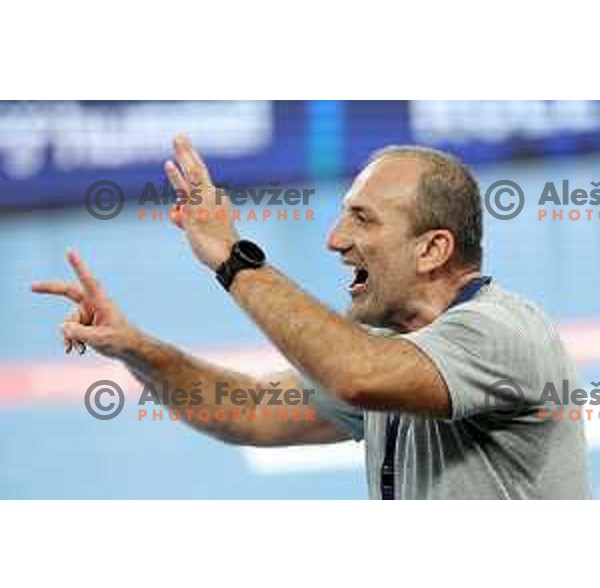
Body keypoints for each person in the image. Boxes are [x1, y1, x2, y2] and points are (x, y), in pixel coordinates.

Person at [32, 134, 590, 499]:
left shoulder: (499, 334)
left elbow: (356, 373)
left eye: (362, 220)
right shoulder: (397, 349)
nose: (334, 240)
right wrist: (134, 347)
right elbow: (247, 410)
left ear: (432, 249)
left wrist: (232, 257)